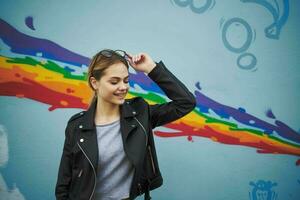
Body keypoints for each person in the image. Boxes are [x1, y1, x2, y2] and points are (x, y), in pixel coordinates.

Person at [55, 49, 196, 200]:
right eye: (114, 82)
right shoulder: (76, 126)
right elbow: (64, 183)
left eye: (126, 80)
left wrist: (151, 68)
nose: (123, 87)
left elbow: (186, 102)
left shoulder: (140, 113)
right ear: (94, 83)